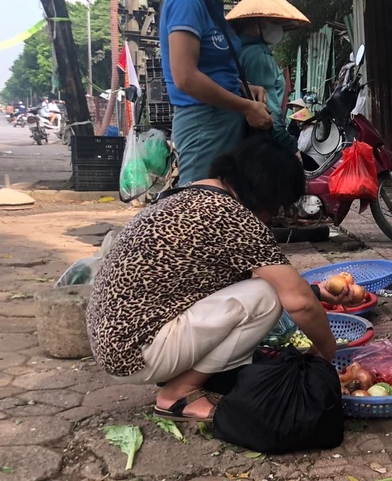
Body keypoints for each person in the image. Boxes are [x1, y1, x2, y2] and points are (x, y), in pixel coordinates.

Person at [86, 136, 358, 421]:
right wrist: (326, 352)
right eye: (278, 206)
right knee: (264, 297)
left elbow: (258, 278)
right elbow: (297, 302)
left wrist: (317, 291)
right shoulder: (232, 215)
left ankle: (182, 377)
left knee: (261, 289)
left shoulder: (191, 194)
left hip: (116, 343)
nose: (274, 216)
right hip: (136, 352)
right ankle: (177, 395)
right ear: (268, 193)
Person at [160, 0, 274, 185]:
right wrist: (246, 106)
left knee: (222, 208)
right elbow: (185, 77)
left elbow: (213, 68)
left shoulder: (209, 0)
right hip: (203, 123)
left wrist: (244, 86)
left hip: (222, 120)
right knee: (201, 210)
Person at [227, 0, 310, 153]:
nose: (276, 27)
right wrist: (291, 147)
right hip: (263, 144)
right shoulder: (257, 56)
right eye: (271, 21)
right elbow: (269, 113)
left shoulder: (240, 51)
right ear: (255, 23)